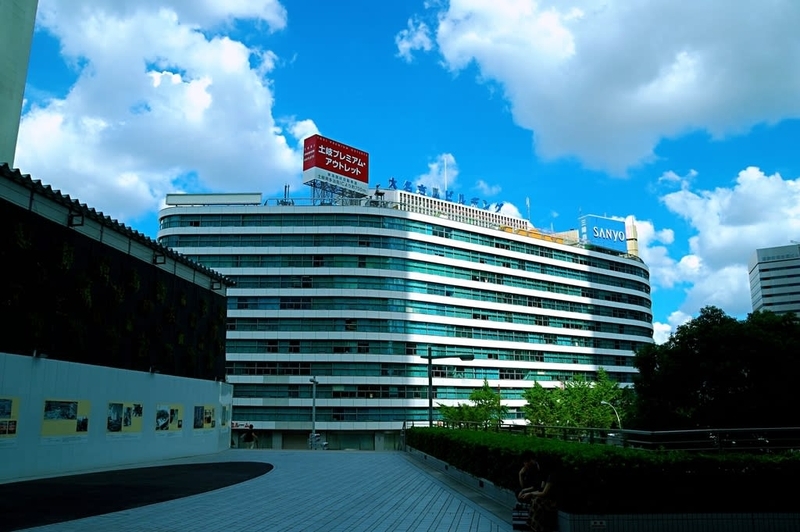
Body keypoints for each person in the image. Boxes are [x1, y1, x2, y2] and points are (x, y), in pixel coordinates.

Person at [518, 458, 556, 532]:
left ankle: (535, 526)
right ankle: (533, 525)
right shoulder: (545, 475)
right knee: (534, 499)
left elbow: (544, 492)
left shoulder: (552, 476)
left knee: (536, 501)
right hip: (544, 497)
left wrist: (530, 493)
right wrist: (529, 493)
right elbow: (540, 489)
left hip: (551, 500)